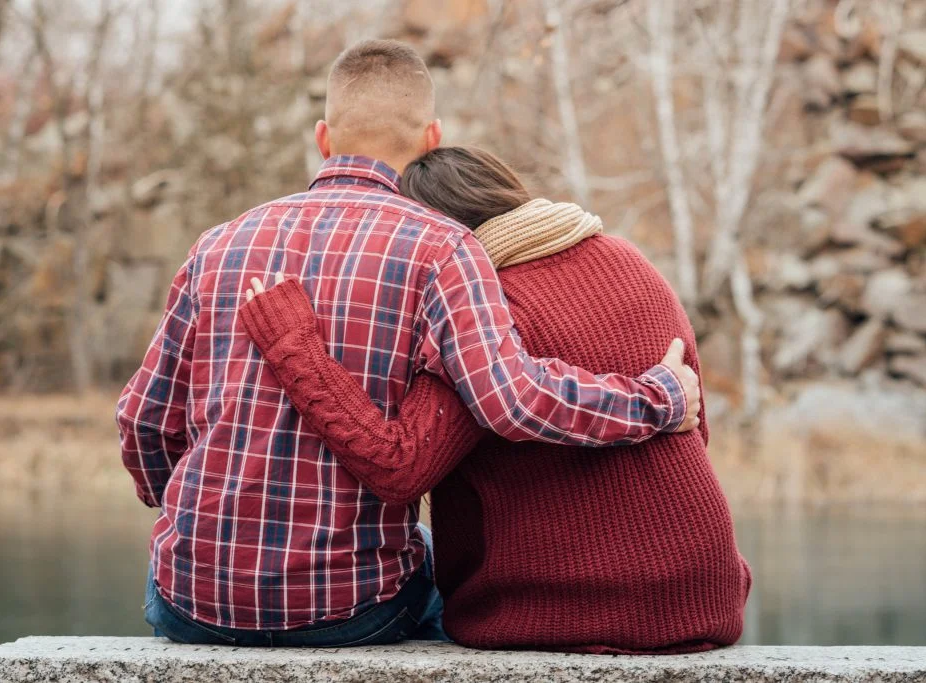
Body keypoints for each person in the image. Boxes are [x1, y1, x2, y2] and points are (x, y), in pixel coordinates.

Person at [117, 40, 699, 647]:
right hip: (350, 611)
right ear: (432, 138)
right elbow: (513, 399)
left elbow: (142, 421)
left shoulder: (217, 246)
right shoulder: (445, 248)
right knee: (438, 567)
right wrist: (655, 399)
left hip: (189, 600)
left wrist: (196, 521)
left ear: (323, 138)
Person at [239, 146, 751, 654]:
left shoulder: (482, 312)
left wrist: (296, 351)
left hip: (558, 608)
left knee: (387, 577)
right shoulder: (630, 260)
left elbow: (400, 466)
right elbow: (694, 428)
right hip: (706, 597)